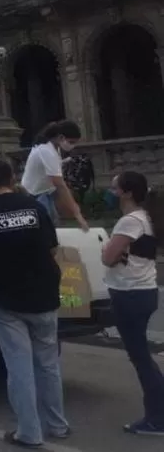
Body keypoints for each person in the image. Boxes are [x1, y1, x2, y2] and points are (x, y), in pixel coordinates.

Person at [0, 160, 70, 448]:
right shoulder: (35, 207)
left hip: (3, 297)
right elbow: (52, 246)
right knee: (48, 363)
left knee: (19, 364)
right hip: (44, 293)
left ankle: (29, 432)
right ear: (13, 178)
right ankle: (58, 425)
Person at [101, 171, 164, 436]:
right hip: (144, 290)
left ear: (126, 192)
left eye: (114, 188)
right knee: (141, 356)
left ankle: (157, 418)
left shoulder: (129, 222)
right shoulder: (146, 217)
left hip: (129, 294)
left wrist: (111, 253)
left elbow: (107, 257)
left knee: (141, 358)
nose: (111, 192)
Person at [20, 120, 89, 231]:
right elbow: (60, 185)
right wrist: (77, 214)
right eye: (71, 142)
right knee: (46, 231)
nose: (72, 146)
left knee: (52, 229)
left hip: (43, 193)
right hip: (34, 196)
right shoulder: (47, 151)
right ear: (61, 137)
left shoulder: (53, 148)